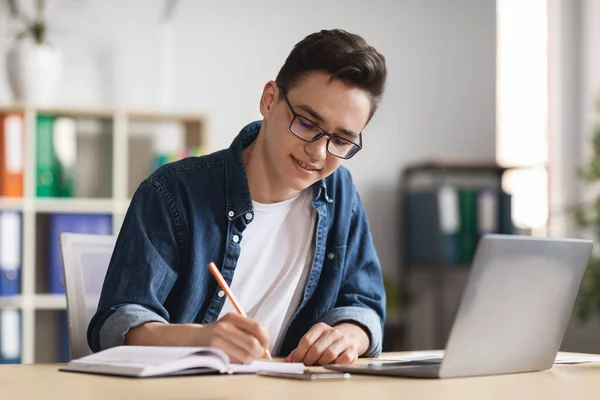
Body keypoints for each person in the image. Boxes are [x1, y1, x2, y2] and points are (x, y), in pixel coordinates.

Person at [88, 28, 387, 366]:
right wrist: (201, 339)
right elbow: (116, 322)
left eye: (341, 141)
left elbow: (364, 304)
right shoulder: (173, 192)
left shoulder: (340, 193)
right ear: (269, 100)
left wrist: (348, 333)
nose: (318, 152)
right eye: (306, 123)